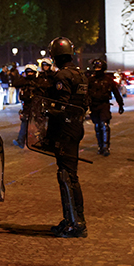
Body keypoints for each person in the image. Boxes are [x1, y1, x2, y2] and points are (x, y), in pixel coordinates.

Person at [42, 37, 89, 238]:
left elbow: (62, 105)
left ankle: (76, 223)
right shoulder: (81, 75)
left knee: (67, 176)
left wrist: (47, 110)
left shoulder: (62, 76)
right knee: (68, 174)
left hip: (65, 129)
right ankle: (70, 218)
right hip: (76, 126)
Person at [87, 58, 124, 156]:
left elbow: (116, 93)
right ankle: (100, 146)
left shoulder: (108, 80)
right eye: (96, 67)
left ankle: (106, 147)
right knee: (97, 126)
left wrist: (121, 104)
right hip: (94, 105)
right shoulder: (90, 81)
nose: (97, 69)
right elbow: (85, 94)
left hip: (104, 104)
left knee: (105, 125)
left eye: (99, 67)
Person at [12, 64, 37, 149]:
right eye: (28, 72)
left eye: (31, 72)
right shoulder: (24, 81)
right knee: (25, 121)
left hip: (37, 105)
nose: (30, 74)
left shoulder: (38, 81)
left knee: (38, 123)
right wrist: (27, 81)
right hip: (26, 105)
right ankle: (21, 140)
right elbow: (15, 83)